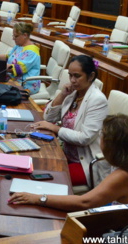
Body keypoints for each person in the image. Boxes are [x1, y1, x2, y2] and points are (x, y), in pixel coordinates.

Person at [9, 114, 128, 211]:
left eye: (102, 136)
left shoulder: (124, 175)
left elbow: (85, 202)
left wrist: (37, 198)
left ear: (112, 145)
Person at [33, 55, 109, 187]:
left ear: (91, 76)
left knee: (47, 180)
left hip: (85, 163)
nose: (72, 80)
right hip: (65, 154)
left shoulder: (97, 100)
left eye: (77, 76)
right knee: (35, 166)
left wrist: (56, 129)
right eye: (70, 75)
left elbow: (85, 138)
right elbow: (48, 118)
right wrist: (62, 95)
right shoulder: (73, 94)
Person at [0, 22, 41, 93]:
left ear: (25, 35)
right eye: (13, 36)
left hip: (25, 84)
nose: (13, 39)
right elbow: (8, 57)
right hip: (13, 79)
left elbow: (19, 69)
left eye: (16, 36)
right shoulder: (19, 46)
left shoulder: (32, 51)